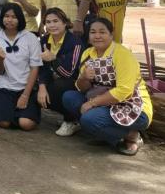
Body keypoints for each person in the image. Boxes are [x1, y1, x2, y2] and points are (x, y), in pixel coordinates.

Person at [63, 18, 153, 155]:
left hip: (133, 106)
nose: (97, 36)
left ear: (111, 35)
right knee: (69, 97)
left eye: (102, 32)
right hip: (106, 103)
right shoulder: (88, 54)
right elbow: (82, 88)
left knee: (89, 119)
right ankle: (107, 132)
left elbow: (124, 91)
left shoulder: (122, 54)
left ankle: (132, 135)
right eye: (93, 32)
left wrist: (92, 103)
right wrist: (83, 77)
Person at [0, 3, 42, 130]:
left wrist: (25, 95)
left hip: (26, 88)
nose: (9, 20)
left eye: (14, 17)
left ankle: (24, 114)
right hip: (5, 88)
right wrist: (0, 60)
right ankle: (11, 114)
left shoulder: (31, 38)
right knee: (4, 123)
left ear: (20, 18)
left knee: (26, 124)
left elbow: (34, 68)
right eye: (6, 16)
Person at [38, 8, 83, 136]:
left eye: (56, 21)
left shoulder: (75, 42)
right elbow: (42, 68)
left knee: (60, 86)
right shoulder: (44, 40)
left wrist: (53, 59)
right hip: (54, 79)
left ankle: (72, 120)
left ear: (64, 23)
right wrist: (41, 86)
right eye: (48, 22)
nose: (52, 25)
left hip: (75, 84)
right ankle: (66, 115)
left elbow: (69, 73)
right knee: (36, 89)